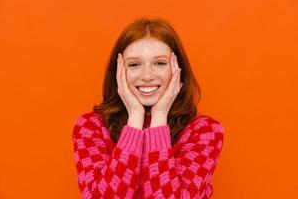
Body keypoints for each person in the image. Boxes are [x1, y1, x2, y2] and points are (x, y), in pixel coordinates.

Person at [72, 17, 224, 199]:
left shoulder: (205, 132)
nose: (147, 76)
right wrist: (135, 120)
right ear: (119, 71)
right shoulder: (90, 127)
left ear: (177, 70)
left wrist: (159, 118)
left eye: (159, 63)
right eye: (134, 64)